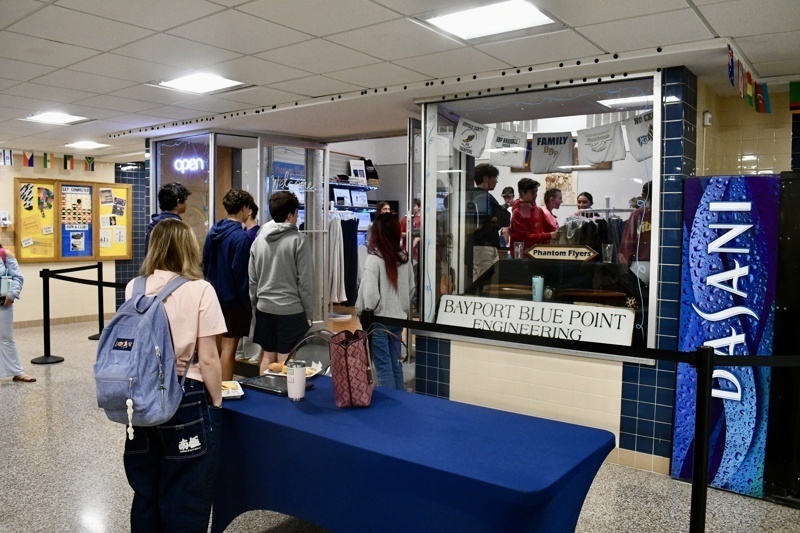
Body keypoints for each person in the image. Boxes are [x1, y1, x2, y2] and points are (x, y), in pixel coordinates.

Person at [123, 218, 225, 532]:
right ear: (188, 249)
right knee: (185, 493)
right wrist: (217, 402)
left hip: (141, 399)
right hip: (187, 395)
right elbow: (208, 358)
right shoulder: (200, 289)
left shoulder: (135, 286)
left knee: (146, 490)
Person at [249, 191, 316, 375]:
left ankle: (266, 396)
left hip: (264, 308)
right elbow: (306, 282)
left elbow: (252, 278)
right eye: (296, 213)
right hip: (290, 309)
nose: (297, 217)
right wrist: (309, 311)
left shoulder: (259, 239)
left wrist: (256, 304)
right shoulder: (299, 240)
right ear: (289, 215)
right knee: (286, 358)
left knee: (267, 356)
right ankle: (286, 400)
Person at [356, 213, 414, 390]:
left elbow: (370, 295)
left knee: (383, 366)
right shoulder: (404, 257)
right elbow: (411, 289)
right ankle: (399, 401)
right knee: (395, 363)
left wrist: (362, 310)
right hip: (398, 320)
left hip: (379, 321)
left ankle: (390, 407)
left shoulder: (374, 260)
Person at [202, 189, 254, 381]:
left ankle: (210, 385)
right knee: (229, 348)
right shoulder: (241, 238)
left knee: (214, 346)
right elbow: (242, 275)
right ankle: (224, 389)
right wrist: (248, 304)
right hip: (233, 300)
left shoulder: (213, 232)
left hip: (213, 296)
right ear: (244, 208)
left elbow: (205, 264)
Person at [466, 163, 510, 281]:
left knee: (476, 282)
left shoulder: (469, 196)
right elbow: (506, 218)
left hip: (473, 246)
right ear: (486, 178)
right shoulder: (485, 197)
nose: (496, 181)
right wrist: (494, 219)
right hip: (483, 248)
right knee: (484, 284)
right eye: (494, 178)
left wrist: (495, 219)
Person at [0, 245, 35, 383]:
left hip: (3, 302)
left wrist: (12, 294)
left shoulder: (4, 254)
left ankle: (17, 372)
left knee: (6, 338)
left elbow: (17, 277)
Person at [508, 178, 560, 251]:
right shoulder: (518, 213)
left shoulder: (538, 210)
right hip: (524, 254)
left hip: (538, 252)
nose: (535, 195)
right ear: (523, 193)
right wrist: (548, 235)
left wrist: (560, 232)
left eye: (536, 192)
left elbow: (549, 228)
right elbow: (524, 237)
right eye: (532, 192)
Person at [619, 181, 652, 277]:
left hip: (641, 265)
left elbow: (628, 243)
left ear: (643, 195)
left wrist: (624, 266)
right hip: (664, 264)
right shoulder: (670, 215)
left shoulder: (638, 214)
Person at [145, 182, 191, 251]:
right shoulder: (178, 229)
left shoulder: (153, 226)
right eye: (185, 200)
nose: (186, 204)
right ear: (178, 202)